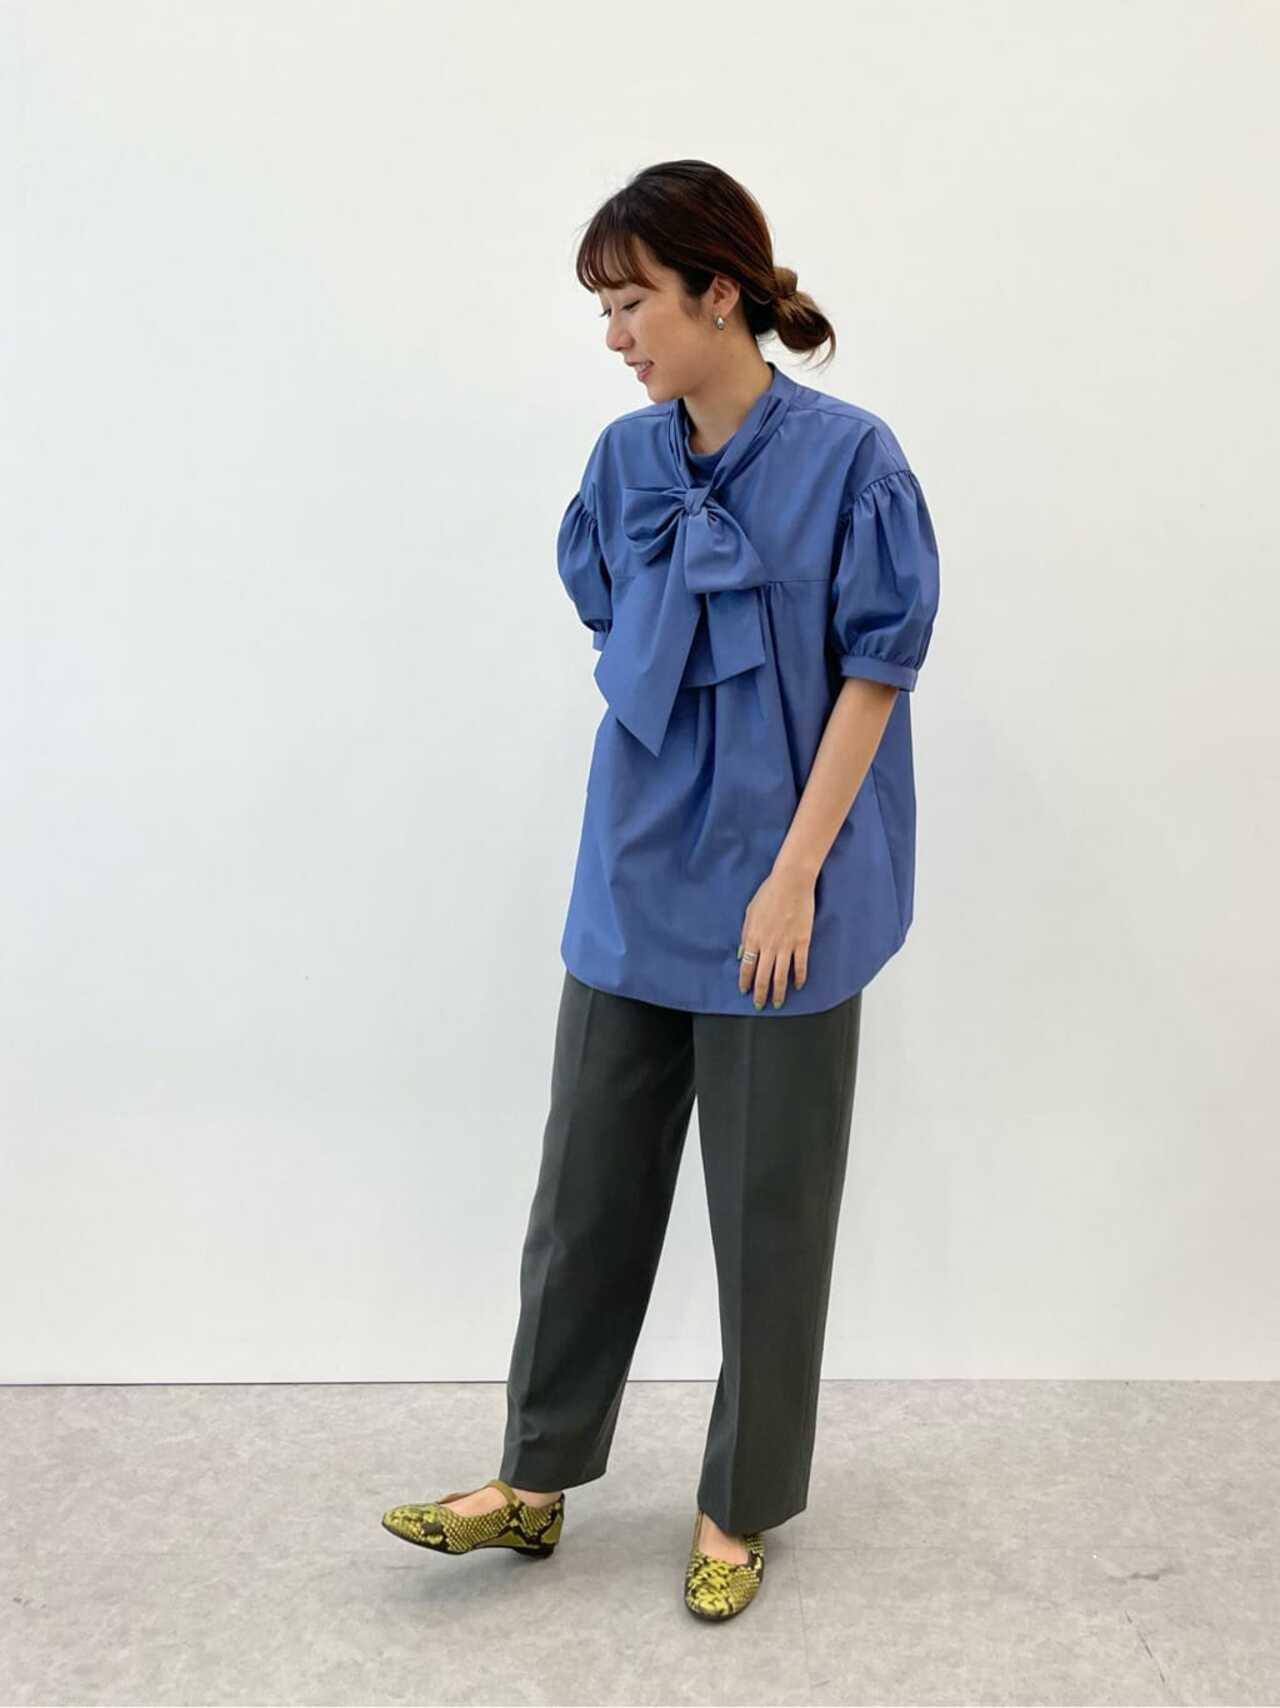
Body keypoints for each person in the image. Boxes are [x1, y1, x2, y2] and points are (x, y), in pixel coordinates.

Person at [382, 158, 941, 1622]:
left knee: (768, 1214)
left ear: (719, 292)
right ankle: (533, 1479)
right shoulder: (624, 464)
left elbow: (877, 671)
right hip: (636, 870)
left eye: (633, 303)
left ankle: (737, 1504)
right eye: (605, 309)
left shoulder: (853, 460)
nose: (616, 335)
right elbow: (617, 627)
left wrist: (794, 876)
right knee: (584, 1194)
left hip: (787, 890)